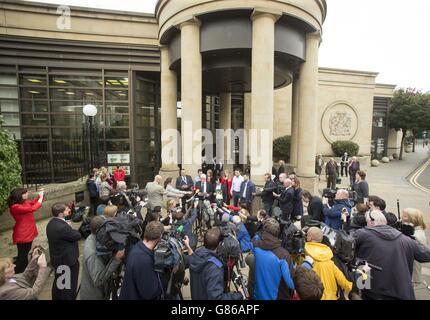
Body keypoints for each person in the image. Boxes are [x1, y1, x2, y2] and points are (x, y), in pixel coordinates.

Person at [353, 210, 430, 300]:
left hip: (372, 290)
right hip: (401, 291)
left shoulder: (363, 233)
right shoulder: (406, 240)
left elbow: (342, 245)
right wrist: (410, 238)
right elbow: (426, 255)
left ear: (371, 222)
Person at [185, 227, 243, 300]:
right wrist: (238, 295)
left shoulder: (196, 253)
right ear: (219, 244)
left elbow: (190, 255)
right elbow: (216, 298)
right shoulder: (215, 267)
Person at [119, 221, 169, 300]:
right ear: (160, 236)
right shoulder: (144, 260)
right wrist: (167, 276)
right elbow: (150, 293)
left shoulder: (137, 247)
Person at [249, 218, 295, 300]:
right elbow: (291, 284)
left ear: (263, 231)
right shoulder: (284, 255)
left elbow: (253, 241)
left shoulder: (255, 245)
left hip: (258, 296)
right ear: (278, 233)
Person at [80, 216, 125, 300]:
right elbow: (98, 280)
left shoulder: (93, 237)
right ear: (100, 231)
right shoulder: (92, 253)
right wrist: (116, 259)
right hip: (93, 295)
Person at [305, 227, 352, 300]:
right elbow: (342, 280)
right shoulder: (329, 259)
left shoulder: (305, 255)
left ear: (310, 238)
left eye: (307, 235)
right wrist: (347, 292)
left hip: (314, 296)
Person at [46, 203, 81, 300]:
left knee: (59, 284)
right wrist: (70, 227)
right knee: (68, 287)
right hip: (67, 261)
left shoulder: (51, 223)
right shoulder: (63, 227)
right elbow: (77, 235)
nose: (68, 210)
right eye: (66, 210)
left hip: (58, 259)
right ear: (60, 214)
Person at [8, 188, 44, 273]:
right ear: (20, 196)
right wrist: (41, 197)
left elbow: (33, 203)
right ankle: (19, 272)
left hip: (28, 231)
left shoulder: (24, 202)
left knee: (25, 252)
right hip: (23, 233)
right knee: (23, 255)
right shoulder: (15, 207)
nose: (27, 194)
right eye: (25, 193)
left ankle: (22, 269)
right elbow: (32, 208)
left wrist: (40, 195)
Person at [401, 208, 428, 288]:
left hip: (410, 270)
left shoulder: (416, 235)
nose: (402, 217)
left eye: (405, 216)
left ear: (412, 219)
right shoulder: (416, 230)